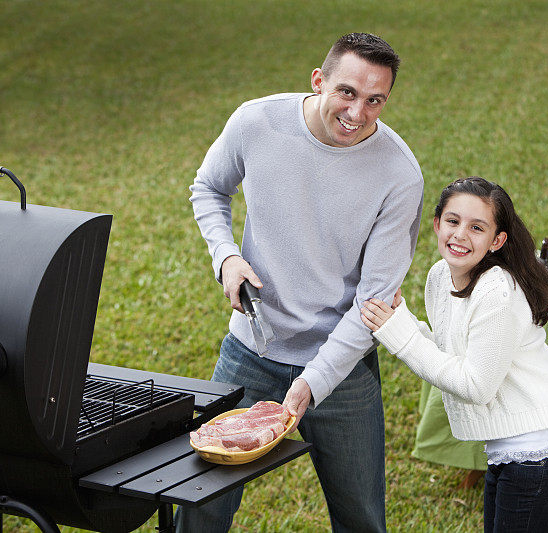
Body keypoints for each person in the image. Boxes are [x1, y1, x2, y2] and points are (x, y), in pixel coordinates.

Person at [176, 33, 424, 532]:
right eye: (347, 93)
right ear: (319, 80)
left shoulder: (400, 174)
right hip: (251, 351)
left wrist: (313, 382)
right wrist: (226, 257)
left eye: (375, 100)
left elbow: (373, 302)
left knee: (362, 520)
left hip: (342, 370)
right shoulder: (258, 122)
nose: (358, 113)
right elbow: (208, 187)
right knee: (199, 510)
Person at [361, 177, 548, 532]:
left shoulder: (497, 291)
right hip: (513, 453)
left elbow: (476, 385)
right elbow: (448, 352)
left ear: (497, 241)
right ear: (437, 224)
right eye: (452, 221)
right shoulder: (440, 276)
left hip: (543, 456)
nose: (460, 235)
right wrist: (400, 318)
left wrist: (399, 335)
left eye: (477, 227)